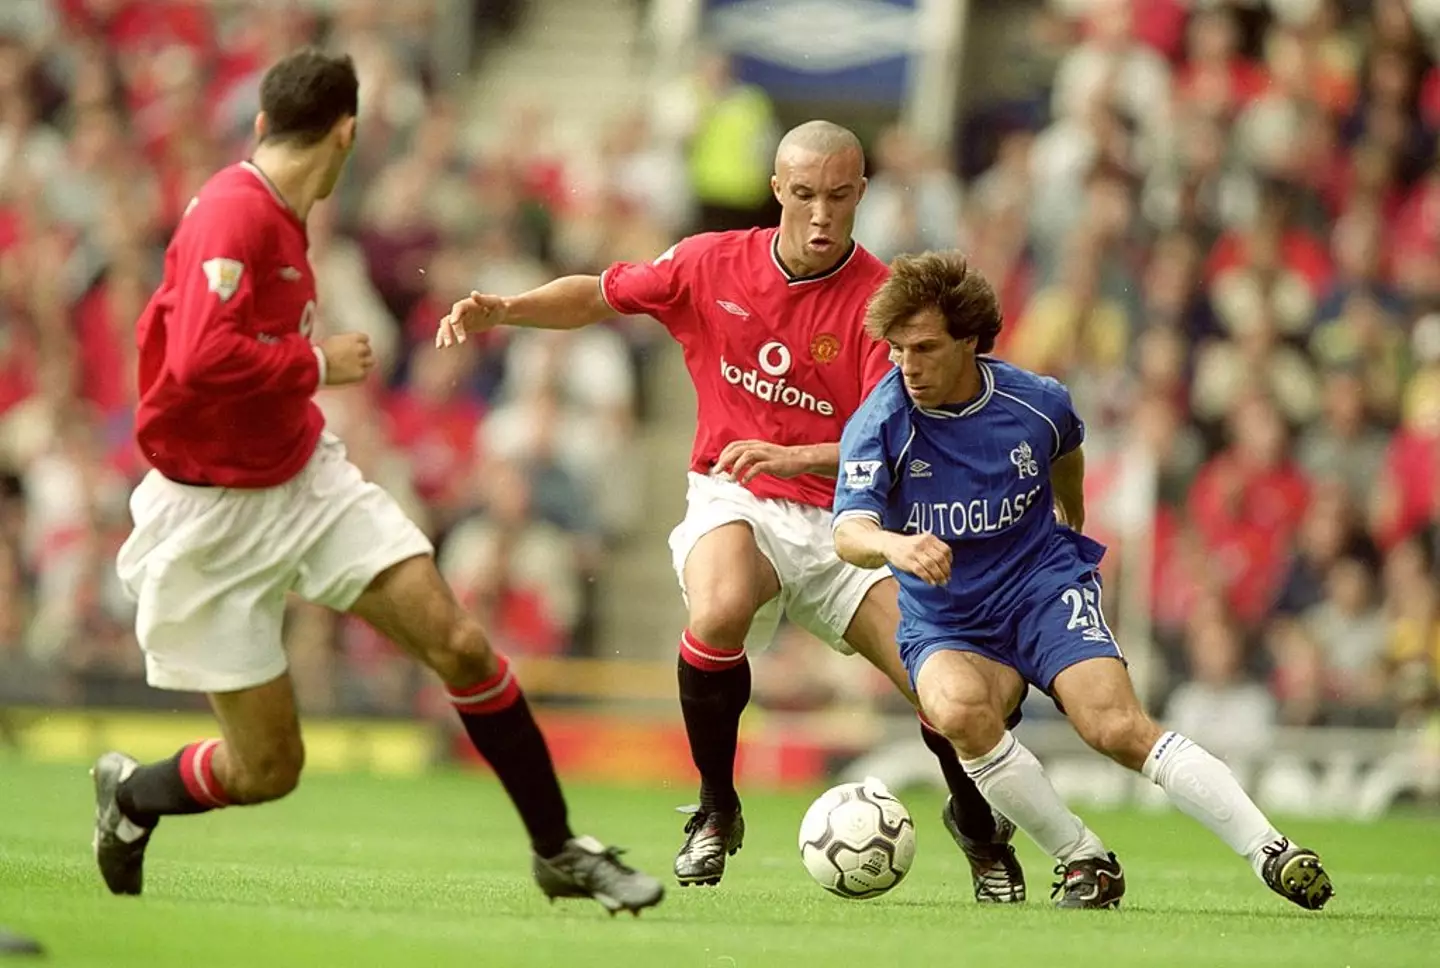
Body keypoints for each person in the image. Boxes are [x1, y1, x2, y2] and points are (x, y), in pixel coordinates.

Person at [90, 48, 663, 917]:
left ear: (262, 124)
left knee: (463, 647)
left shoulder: (280, 214)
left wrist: (302, 377)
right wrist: (315, 361)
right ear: (349, 132)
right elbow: (200, 357)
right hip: (207, 511)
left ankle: (558, 849)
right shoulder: (233, 215)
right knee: (267, 770)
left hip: (304, 483)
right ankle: (133, 798)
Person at [436, 120, 1027, 901]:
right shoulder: (709, 262)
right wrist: (504, 307)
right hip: (736, 493)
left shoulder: (881, 306)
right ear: (778, 189)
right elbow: (598, 294)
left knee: (947, 693)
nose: (821, 215)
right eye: (806, 195)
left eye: (840, 197)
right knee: (716, 611)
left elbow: (894, 443)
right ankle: (716, 808)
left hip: (847, 517)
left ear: (861, 194)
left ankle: (979, 827)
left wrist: (795, 457)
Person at [832, 250, 1335, 911]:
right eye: (897, 349)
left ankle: (1271, 849)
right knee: (955, 711)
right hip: (949, 616)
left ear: (971, 341)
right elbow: (849, 533)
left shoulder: (1037, 404)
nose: (908, 366)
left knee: (1114, 726)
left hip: (1041, 587)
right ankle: (1085, 860)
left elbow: (1066, 453)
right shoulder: (881, 420)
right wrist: (895, 544)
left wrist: (1071, 510)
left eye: (924, 348)